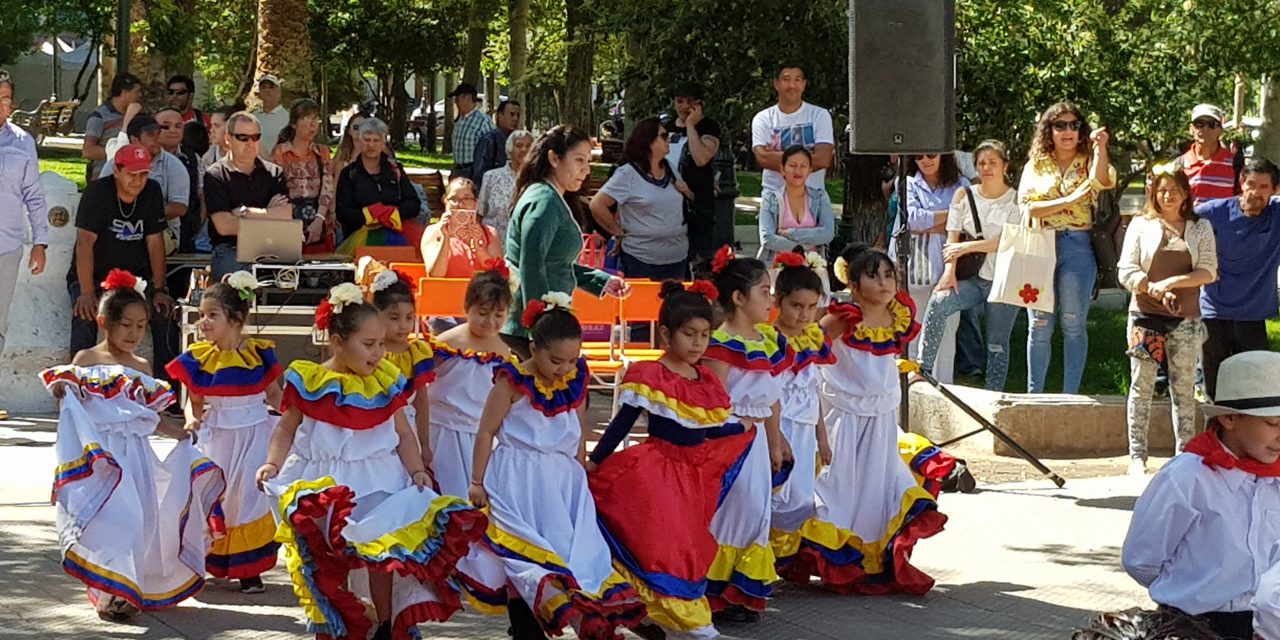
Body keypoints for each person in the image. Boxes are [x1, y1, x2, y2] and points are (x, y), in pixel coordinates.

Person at [256, 283, 488, 640]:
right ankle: (342, 623)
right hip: (324, 482)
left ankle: (384, 622)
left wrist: (417, 470)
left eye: (381, 343)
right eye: (369, 344)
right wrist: (272, 464)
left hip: (379, 481)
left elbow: (404, 434)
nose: (380, 352)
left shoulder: (386, 382)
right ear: (337, 341)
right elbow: (285, 429)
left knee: (383, 555)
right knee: (329, 559)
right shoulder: (309, 380)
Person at [42, 269, 216, 622]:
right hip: (101, 458)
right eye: (127, 325)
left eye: (141, 325)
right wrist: (65, 390)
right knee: (110, 520)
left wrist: (180, 434)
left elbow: (149, 416)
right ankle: (109, 593)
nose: (135, 333)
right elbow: (71, 406)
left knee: (138, 521)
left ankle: (125, 589)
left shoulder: (141, 366)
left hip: (135, 457)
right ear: (105, 322)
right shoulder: (85, 361)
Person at [586, 280, 756, 640]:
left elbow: (708, 429)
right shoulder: (652, 376)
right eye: (689, 334)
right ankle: (689, 622)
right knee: (663, 545)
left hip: (694, 477)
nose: (697, 343)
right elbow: (623, 422)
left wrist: (739, 428)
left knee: (686, 545)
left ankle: (658, 616)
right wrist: (596, 461)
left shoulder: (705, 379)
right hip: (658, 471)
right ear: (666, 333)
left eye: (705, 334)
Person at [468, 296, 645, 640]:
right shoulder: (511, 381)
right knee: (520, 551)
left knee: (569, 550)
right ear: (533, 347)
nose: (564, 368)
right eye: (555, 360)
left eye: (572, 360)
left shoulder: (574, 378)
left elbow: (577, 427)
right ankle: (524, 626)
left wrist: (580, 470)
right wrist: (477, 481)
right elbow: (486, 430)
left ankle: (582, 618)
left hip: (562, 480)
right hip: (518, 476)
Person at [777, 245, 946, 595]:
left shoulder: (898, 316)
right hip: (842, 415)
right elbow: (807, 345)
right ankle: (835, 554)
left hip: (882, 416)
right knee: (840, 484)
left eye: (888, 275)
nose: (884, 283)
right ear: (852, 284)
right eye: (873, 275)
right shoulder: (843, 317)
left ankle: (872, 557)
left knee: (878, 483)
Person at [1122, 351, 1280, 640]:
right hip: (1194, 625)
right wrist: (1186, 591)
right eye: (1273, 423)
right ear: (1229, 418)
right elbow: (1141, 560)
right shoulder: (1187, 478)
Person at [164, 272, 281, 593]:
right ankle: (206, 561)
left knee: (251, 497)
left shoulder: (257, 353)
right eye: (201, 315)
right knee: (218, 496)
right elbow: (194, 401)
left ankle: (249, 570)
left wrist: (293, 422)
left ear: (236, 319)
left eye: (212, 315)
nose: (203, 322)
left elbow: (274, 394)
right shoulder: (200, 358)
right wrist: (191, 419)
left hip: (255, 431)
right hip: (217, 434)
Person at [702, 246, 794, 622]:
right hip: (731, 441)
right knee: (732, 512)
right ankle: (715, 591)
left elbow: (771, 399)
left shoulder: (767, 341)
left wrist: (776, 440)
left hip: (755, 441)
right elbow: (714, 402)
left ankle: (741, 590)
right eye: (764, 291)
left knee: (756, 513)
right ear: (739, 298)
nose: (771, 299)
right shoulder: (721, 346)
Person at [1117, 165, 1217, 475]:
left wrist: (1171, 283)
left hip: (1185, 319)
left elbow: (1208, 271)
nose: (1168, 195)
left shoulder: (1200, 228)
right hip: (1145, 316)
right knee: (1141, 385)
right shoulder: (1140, 225)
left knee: (1184, 388)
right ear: (1153, 194)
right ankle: (1137, 455)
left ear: (1186, 193)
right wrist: (1151, 288)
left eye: (1174, 189)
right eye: (1162, 190)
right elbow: (1126, 270)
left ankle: (1185, 455)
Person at [500, 125, 629, 359]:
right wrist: (540, 325)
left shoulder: (550, 197)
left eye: (588, 162)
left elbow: (555, 263)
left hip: (534, 324)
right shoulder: (543, 201)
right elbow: (532, 265)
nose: (586, 170)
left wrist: (601, 280)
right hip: (528, 330)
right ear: (554, 158)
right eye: (579, 160)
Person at [1017, 101, 1115, 394]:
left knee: (1073, 322)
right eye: (1060, 125)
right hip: (1040, 244)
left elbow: (1102, 181)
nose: (1068, 131)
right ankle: (1035, 394)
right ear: (1049, 130)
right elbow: (1029, 207)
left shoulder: (1088, 159)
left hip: (1078, 245)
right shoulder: (1036, 163)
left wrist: (1100, 148)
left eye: (1074, 125)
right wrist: (1071, 201)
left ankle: (1070, 394)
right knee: (1039, 325)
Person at [916, 140, 1022, 392]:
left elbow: (1005, 242)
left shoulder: (1016, 200)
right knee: (939, 302)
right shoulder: (963, 195)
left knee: (997, 343)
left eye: (992, 162)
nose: (986, 168)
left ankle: (993, 394)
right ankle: (923, 369)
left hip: (1004, 280)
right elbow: (953, 236)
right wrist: (949, 271)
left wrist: (966, 248)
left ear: (1004, 166)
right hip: (973, 278)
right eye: (981, 163)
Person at [68, 145, 178, 379]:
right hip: (96, 276)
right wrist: (86, 291)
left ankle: (163, 391)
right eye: (132, 174)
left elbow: (155, 243)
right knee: (85, 313)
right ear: (117, 171)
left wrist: (159, 289)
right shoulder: (97, 193)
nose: (138, 181)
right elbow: (84, 244)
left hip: (135, 279)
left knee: (163, 314)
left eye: (144, 174)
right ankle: (76, 387)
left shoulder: (152, 192)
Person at [1196, 158, 1280, 400]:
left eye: (1264, 187)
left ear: (1274, 190)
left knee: (1255, 391)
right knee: (1213, 389)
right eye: (1251, 184)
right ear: (1241, 183)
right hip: (1213, 313)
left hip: (1253, 316)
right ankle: (1211, 436)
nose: (1255, 192)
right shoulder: (1213, 212)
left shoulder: (1276, 216)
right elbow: (1178, 230)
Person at [429, 263, 514, 498]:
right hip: (442, 430)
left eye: (499, 315)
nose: (489, 322)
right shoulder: (447, 343)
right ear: (467, 308)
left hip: (479, 433)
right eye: (482, 313)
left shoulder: (505, 352)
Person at [767, 252, 835, 545]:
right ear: (777, 301)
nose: (804, 314)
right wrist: (775, 439)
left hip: (806, 429)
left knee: (802, 495)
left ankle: (788, 554)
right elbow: (768, 395)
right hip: (780, 428)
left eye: (811, 306)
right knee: (776, 493)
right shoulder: (768, 339)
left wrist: (822, 438)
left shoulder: (813, 339)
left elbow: (813, 391)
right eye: (795, 305)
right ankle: (761, 553)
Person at [897, 152, 969, 384]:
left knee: (947, 331)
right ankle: (911, 387)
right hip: (915, 269)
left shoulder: (962, 184)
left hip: (953, 267)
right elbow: (913, 220)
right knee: (914, 328)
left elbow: (970, 221)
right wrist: (952, 219)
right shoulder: (906, 183)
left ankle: (944, 387)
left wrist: (933, 223)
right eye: (918, 156)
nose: (925, 160)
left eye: (931, 154)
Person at [590, 117, 689, 281]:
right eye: (664, 136)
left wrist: (687, 191)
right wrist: (617, 232)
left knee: (675, 306)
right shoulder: (627, 173)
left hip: (677, 259)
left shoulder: (669, 167)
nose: (668, 140)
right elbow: (597, 204)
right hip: (641, 261)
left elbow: (688, 197)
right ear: (649, 142)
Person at [204, 112, 293, 279]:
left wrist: (246, 213)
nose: (250, 143)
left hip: (272, 248)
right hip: (231, 250)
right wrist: (270, 213)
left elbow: (286, 216)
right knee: (237, 282)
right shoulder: (215, 175)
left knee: (291, 280)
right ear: (228, 139)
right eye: (243, 138)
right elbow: (224, 227)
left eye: (255, 137)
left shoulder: (274, 172)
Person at [0, 71, 48, 368]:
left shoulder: (22, 142)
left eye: (4, 100)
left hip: (6, 247)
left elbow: (34, 194)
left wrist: (40, 242)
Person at [369, 269, 435, 469]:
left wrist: (424, 443)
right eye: (394, 318)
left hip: (408, 429)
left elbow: (421, 401)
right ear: (376, 314)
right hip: (375, 428)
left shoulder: (417, 353)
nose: (403, 325)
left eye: (409, 318)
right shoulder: (370, 353)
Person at [100, 113, 191, 255]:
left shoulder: (174, 165)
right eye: (150, 135)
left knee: (136, 245)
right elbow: (101, 200)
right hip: (117, 226)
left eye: (158, 133)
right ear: (134, 140)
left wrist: (144, 216)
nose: (158, 139)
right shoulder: (115, 165)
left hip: (162, 230)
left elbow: (180, 207)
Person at [335, 117, 421, 254]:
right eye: (367, 140)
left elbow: (414, 203)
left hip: (397, 236)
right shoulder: (348, 174)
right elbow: (342, 212)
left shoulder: (395, 170)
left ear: (383, 143)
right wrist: (368, 215)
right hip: (358, 239)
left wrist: (394, 214)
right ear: (359, 142)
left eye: (376, 140)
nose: (371, 145)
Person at [751, 64, 834, 194]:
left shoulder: (819, 115)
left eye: (797, 80)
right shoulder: (763, 118)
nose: (792, 85)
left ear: (804, 84)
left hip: (813, 195)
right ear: (776, 84)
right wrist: (808, 158)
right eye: (786, 79)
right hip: (774, 195)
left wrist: (777, 156)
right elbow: (763, 158)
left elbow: (823, 159)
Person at [667, 83, 724, 267]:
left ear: (699, 104)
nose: (683, 107)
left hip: (698, 204)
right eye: (679, 101)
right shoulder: (666, 127)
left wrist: (690, 125)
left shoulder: (709, 127)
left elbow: (701, 158)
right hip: (670, 201)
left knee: (700, 260)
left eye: (689, 102)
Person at [272, 98, 336, 253]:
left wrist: (320, 219)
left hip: (319, 219)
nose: (312, 124)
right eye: (306, 118)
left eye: (315, 118)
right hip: (290, 221)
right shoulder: (280, 152)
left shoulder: (322, 152)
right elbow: (276, 188)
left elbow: (328, 187)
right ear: (294, 124)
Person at [755, 146, 836, 264]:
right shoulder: (771, 199)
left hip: (812, 268)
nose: (798, 171)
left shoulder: (820, 197)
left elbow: (828, 233)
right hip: (777, 268)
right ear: (782, 169)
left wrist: (791, 233)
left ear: (810, 170)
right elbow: (767, 239)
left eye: (803, 166)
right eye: (792, 166)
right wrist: (804, 248)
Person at [421, 177, 502, 277]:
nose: (460, 204)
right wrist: (444, 239)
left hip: (481, 291)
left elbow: (498, 275)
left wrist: (479, 248)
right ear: (446, 201)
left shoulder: (490, 233)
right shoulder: (433, 232)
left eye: (467, 198)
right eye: (454, 199)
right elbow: (435, 274)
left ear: (475, 203)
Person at [476, 129, 533, 243]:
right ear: (510, 149)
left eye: (528, 146)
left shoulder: (538, 181)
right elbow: (479, 214)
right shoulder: (491, 177)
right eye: (519, 145)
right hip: (493, 243)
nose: (524, 150)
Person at [82, 72, 142, 178]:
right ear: (124, 92)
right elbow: (88, 151)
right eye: (136, 91)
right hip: (104, 173)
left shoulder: (137, 114)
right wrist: (118, 153)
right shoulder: (99, 116)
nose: (140, 95)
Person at [1179, 104, 1239, 205]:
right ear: (1191, 129)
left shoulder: (1236, 164)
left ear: (1220, 130)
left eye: (1212, 124)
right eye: (1199, 123)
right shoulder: (1179, 165)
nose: (1206, 128)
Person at [470, 99, 521, 186]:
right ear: (500, 116)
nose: (515, 119)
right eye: (511, 115)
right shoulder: (489, 140)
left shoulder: (519, 141)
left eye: (518, 115)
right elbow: (480, 174)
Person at [450, 82, 496, 177]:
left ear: (467, 98)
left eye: (457, 98)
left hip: (475, 171)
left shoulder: (483, 121)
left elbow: (491, 151)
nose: (455, 102)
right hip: (458, 170)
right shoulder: (460, 121)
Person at [250, 74, 288, 160]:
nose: (267, 90)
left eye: (271, 87)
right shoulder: (253, 118)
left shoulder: (288, 118)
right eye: (263, 87)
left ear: (279, 92)